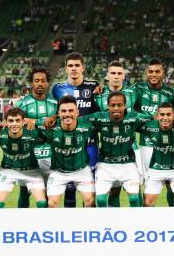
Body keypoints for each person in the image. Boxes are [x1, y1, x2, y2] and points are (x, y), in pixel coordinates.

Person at [51, 52, 100, 207]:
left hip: (89, 143)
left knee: (89, 189)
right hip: (65, 144)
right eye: (70, 65)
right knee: (69, 188)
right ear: (66, 68)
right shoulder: (57, 89)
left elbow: (100, 112)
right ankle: (68, 225)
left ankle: (87, 225)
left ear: (82, 68)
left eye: (77, 65)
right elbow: (54, 113)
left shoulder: (94, 87)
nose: (73, 68)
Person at [86, 92, 151, 207]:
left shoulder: (134, 118)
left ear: (125, 106)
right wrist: (55, 117)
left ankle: (136, 224)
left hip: (128, 164)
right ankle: (105, 224)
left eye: (119, 105)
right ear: (108, 106)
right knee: (100, 200)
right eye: (113, 105)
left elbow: (156, 117)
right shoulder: (98, 117)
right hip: (105, 165)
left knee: (135, 198)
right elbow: (75, 118)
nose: (116, 108)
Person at [131, 58, 174, 205]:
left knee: (171, 184)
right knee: (148, 184)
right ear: (146, 73)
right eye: (150, 71)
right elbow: (131, 111)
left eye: (157, 71)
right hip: (146, 145)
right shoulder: (138, 89)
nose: (153, 74)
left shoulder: (170, 93)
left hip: (167, 145)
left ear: (163, 73)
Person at [39, 96, 96, 208]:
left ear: (77, 112)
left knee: (90, 201)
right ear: (58, 113)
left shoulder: (87, 124)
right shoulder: (50, 126)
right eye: (63, 111)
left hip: (82, 170)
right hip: (58, 172)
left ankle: (90, 225)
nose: (67, 114)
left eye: (71, 111)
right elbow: (28, 121)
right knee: (52, 203)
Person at [94, 60, 135, 207]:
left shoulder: (133, 93)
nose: (116, 76)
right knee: (111, 189)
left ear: (124, 76)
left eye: (119, 73)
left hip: (130, 149)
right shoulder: (98, 95)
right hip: (107, 150)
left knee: (132, 190)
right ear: (107, 75)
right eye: (113, 73)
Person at [15, 67, 58, 208]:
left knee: (46, 192)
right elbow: (12, 120)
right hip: (28, 152)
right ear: (31, 83)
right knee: (24, 191)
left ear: (48, 83)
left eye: (43, 81)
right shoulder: (23, 102)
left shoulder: (55, 102)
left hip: (49, 151)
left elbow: (63, 119)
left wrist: (37, 121)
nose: (40, 84)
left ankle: (45, 225)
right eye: (36, 81)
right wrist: (23, 120)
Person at [0, 107, 47, 208]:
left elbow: (48, 129)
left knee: (42, 203)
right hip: (8, 170)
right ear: (6, 122)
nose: (14, 124)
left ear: (23, 122)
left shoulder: (33, 133)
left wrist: (35, 122)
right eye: (11, 121)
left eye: (17, 120)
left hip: (31, 170)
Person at [141, 102, 174, 207]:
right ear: (157, 116)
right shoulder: (149, 126)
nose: (165, 118)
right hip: (156, 168)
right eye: (162, 114)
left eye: (168, 114)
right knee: (147, 202)